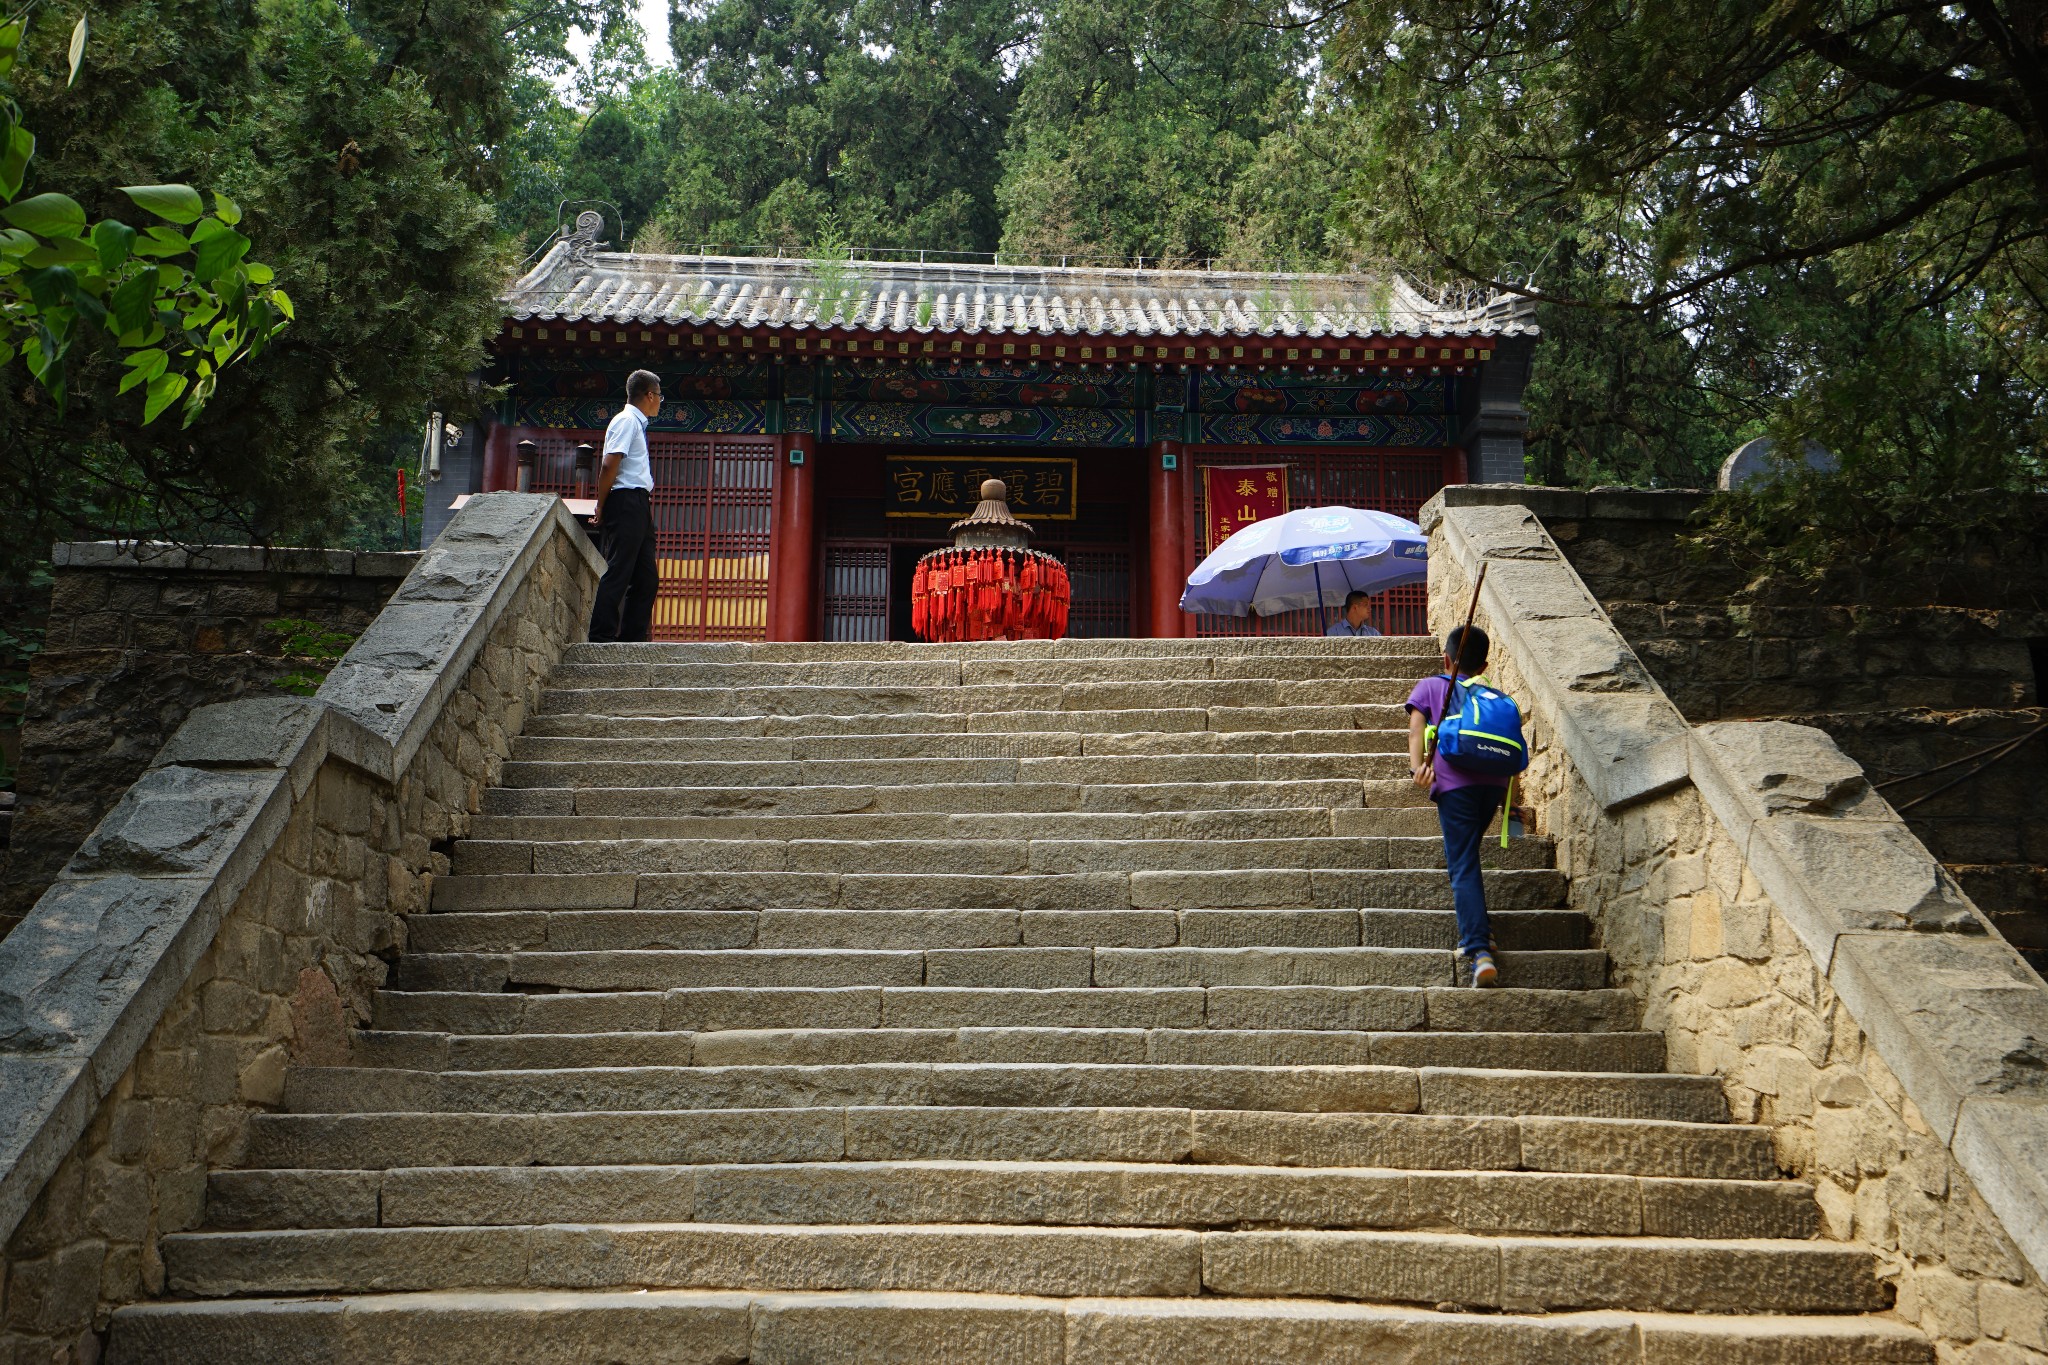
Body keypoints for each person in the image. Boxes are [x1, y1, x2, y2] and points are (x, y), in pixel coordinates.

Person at [1405, 625, 1513, 986]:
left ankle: (1479, 950)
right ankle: (1482, 927)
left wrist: (1417, 767)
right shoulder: (1493, 696)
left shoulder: (1432, 685)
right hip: (1494, 784)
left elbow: (1416, 727)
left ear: (1446, 659)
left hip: (1455, 784)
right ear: (1483, 666)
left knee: (1462, 863)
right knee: (1467, 855)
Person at [588, 369, 662, 643]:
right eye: (659, 396)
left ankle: (633, 636)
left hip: (639, 503)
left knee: (647, 578)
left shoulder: (636, 424)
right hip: (625, 499)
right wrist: (601, 504)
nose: (659, 402)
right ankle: (600, 635)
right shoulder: (626, 421)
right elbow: (609, 464)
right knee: (619, 569)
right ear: (650, 395)